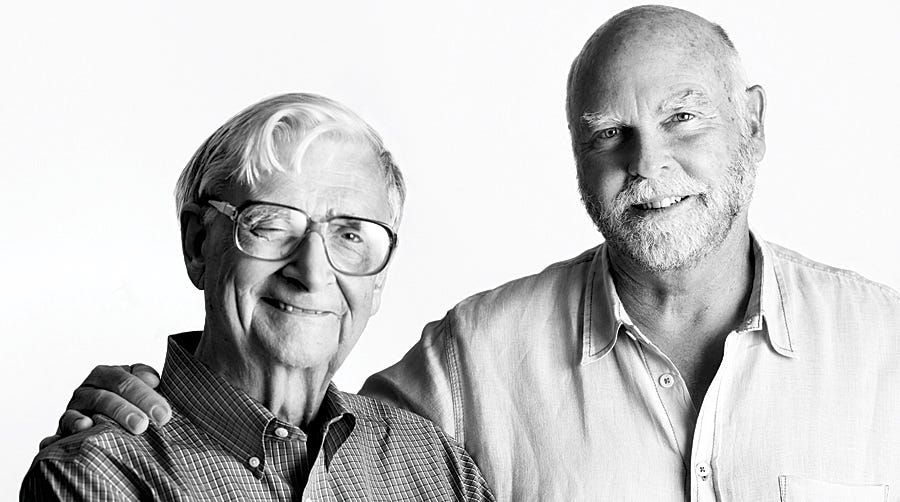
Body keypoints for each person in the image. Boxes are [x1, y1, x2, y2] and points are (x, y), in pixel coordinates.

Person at [42, 5, 900, 501]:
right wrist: (138, 405)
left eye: (683, 118)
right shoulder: (473, 362)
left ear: (753, 123)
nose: (648, 164)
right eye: (609, 134)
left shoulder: (886, 345)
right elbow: (282, 386)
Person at [22, 93, 495, 501]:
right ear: (197, 245)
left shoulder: (435, 464)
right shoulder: (101, 474)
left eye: (350, 235)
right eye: (271, 224)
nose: (312, 272)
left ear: (379, 280)